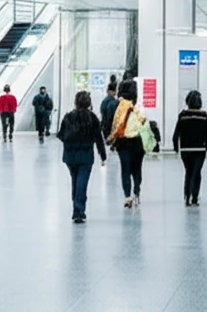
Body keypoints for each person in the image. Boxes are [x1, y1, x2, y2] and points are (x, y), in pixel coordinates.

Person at [56, 91, 107, 224]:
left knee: (75, 180)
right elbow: (98, 138)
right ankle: (79, 210)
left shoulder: (68, 117)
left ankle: (76, 207)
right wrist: (103, 155)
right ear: (89, 103)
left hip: (70, 155)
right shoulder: (92, 118)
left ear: (76, 102)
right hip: (85, 155)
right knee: (82, 182)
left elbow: (61, 135)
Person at [172, 90, 207, 207]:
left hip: (185, 150)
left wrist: (176, 147)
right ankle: (195, 197)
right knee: (197, 172)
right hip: (200, 150)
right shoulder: (203, 116)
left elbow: (176, 134)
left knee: (188, 172)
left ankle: (187, 195)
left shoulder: (183, 115)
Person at [109, 79, 146, 208]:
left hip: (122, 142)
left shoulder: (117, 106)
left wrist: (111, 139)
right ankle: (136, 191)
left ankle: (127, 196)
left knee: (125, 168)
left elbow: (113, 124)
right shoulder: (137, 106)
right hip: (138, 141)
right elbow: (144, 123)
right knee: (137, 168)